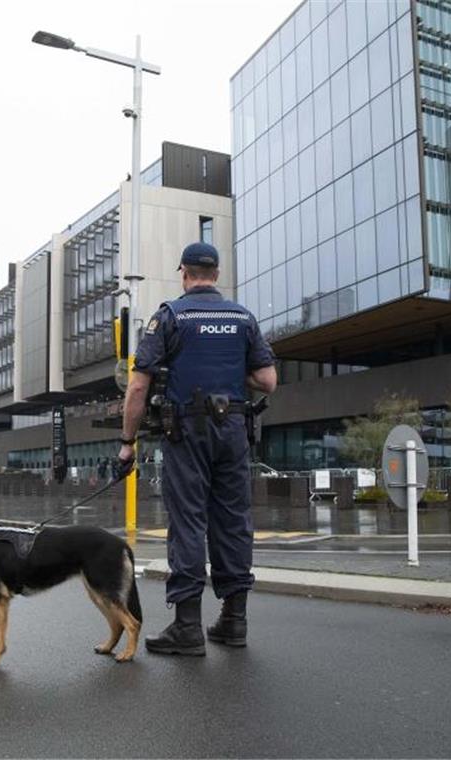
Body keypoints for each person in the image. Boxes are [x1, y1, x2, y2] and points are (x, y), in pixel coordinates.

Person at [115, 242, 277, 656]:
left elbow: (138, 385)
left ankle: (187, 627)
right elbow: (268, 380)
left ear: (184, 273)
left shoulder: (170, 316)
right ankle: (234, 621)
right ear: (216, 275)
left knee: (188, 522)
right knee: (233, 520)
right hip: (234, 430)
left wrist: (126, 444)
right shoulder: (242, 318)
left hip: (187, 430)